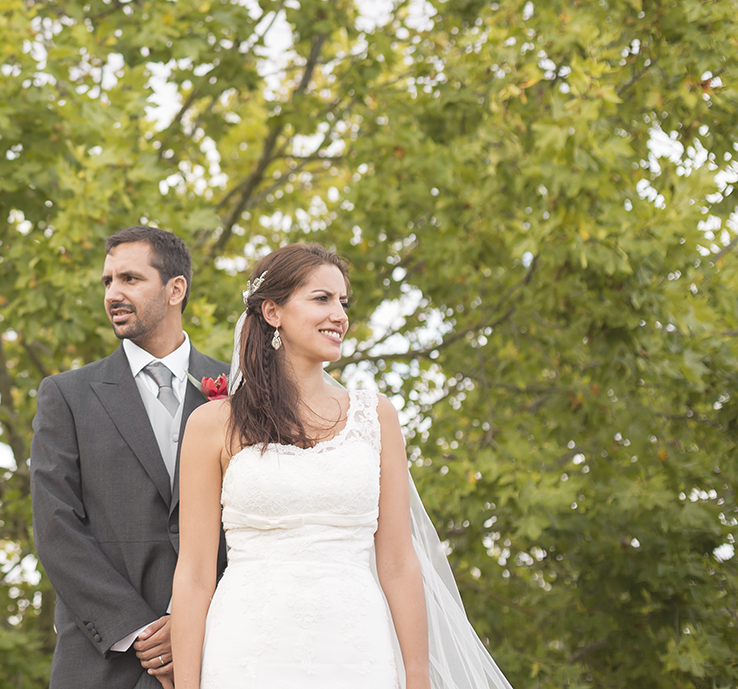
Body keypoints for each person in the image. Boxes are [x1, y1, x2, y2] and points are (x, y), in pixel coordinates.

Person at [171, 242, 515, 689]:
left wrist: (416, 675)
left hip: (358, 648)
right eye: (322, 298)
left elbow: (398, 562)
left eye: (343, 302)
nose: (339, 314)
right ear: (273, 312)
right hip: (246, 648)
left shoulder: (377, 417)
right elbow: (195, 575)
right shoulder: (213, 424)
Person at [31, 227, 230, 689]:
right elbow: (56, 527)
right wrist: (139, 630)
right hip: (105, 664)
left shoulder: (240, 389)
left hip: (221, 650)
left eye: (130, 279)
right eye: (108, 282)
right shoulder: (67, 395)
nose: (114, 294)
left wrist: (194, 620)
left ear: (175, 288)